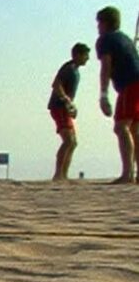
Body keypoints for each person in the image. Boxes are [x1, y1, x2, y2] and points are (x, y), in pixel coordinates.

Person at [95, 6, 139, 183]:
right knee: (134, 129)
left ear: (105, 23)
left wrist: (104, 94)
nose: (98, 27)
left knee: (121, 127)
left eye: (99, 23)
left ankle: (127, 173)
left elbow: (106, 66)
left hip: (130, 84)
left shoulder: (105, 40)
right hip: (135, 83)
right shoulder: (125, 39)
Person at [49, 43, 90, 181]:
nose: (87, 58)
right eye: (85, 55)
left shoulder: (76, 71)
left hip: (65, 108)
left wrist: (71, 105)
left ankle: (64, 175)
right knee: (68, 140)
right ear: (77, 55)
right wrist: (66, 101)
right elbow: (56, 84)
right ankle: (58, 174)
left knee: (73, 142)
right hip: (59, 107)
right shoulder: (69, 68)